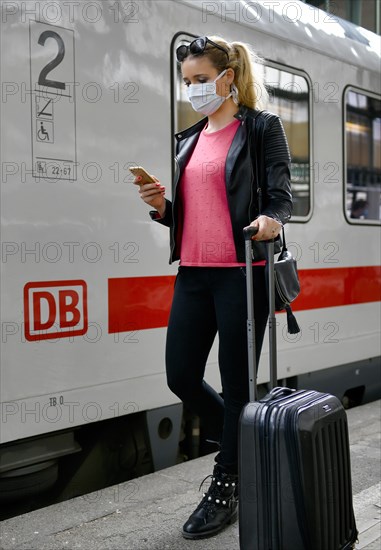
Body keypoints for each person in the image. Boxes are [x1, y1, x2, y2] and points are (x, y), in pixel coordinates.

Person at [134, 35, 292, 539]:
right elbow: (190, 217)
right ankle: (244, 445)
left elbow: (283, 195)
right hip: (195, 273)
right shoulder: (187, 138)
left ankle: (227, 486)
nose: (194, 90)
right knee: (179, 374)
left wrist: (271, 219)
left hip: (243, 272)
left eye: (201, 80)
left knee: (237, 382)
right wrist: (162, 208)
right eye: (187, 82)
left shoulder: (263, 127)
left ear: (228, 77)